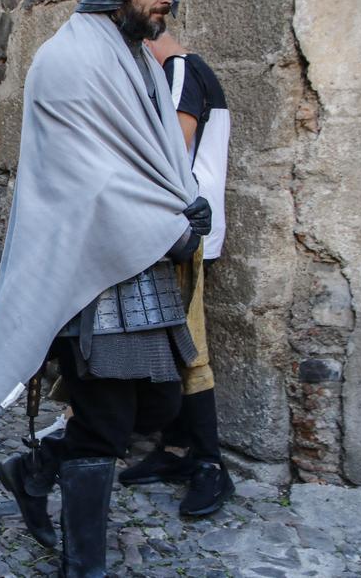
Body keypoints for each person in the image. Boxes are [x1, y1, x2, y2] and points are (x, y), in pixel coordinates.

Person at [0, 0, 210, 576]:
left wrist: (187, 200)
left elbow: (156, 155)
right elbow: (86, 180)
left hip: (145, 269)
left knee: (157, 408)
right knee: (105, 423)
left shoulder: (136, 57)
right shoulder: (67, 60)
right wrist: (173, 221)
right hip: (90, 277)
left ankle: (31, 470)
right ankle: (84, 566)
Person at [118, 32, 234, 516]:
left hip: (184, 231)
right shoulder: (177, 72)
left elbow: (167, 155)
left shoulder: (181, 69)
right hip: (178, 229)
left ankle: (210, 466)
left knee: (191, 349)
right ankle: (176, 452)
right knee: (175, 344)